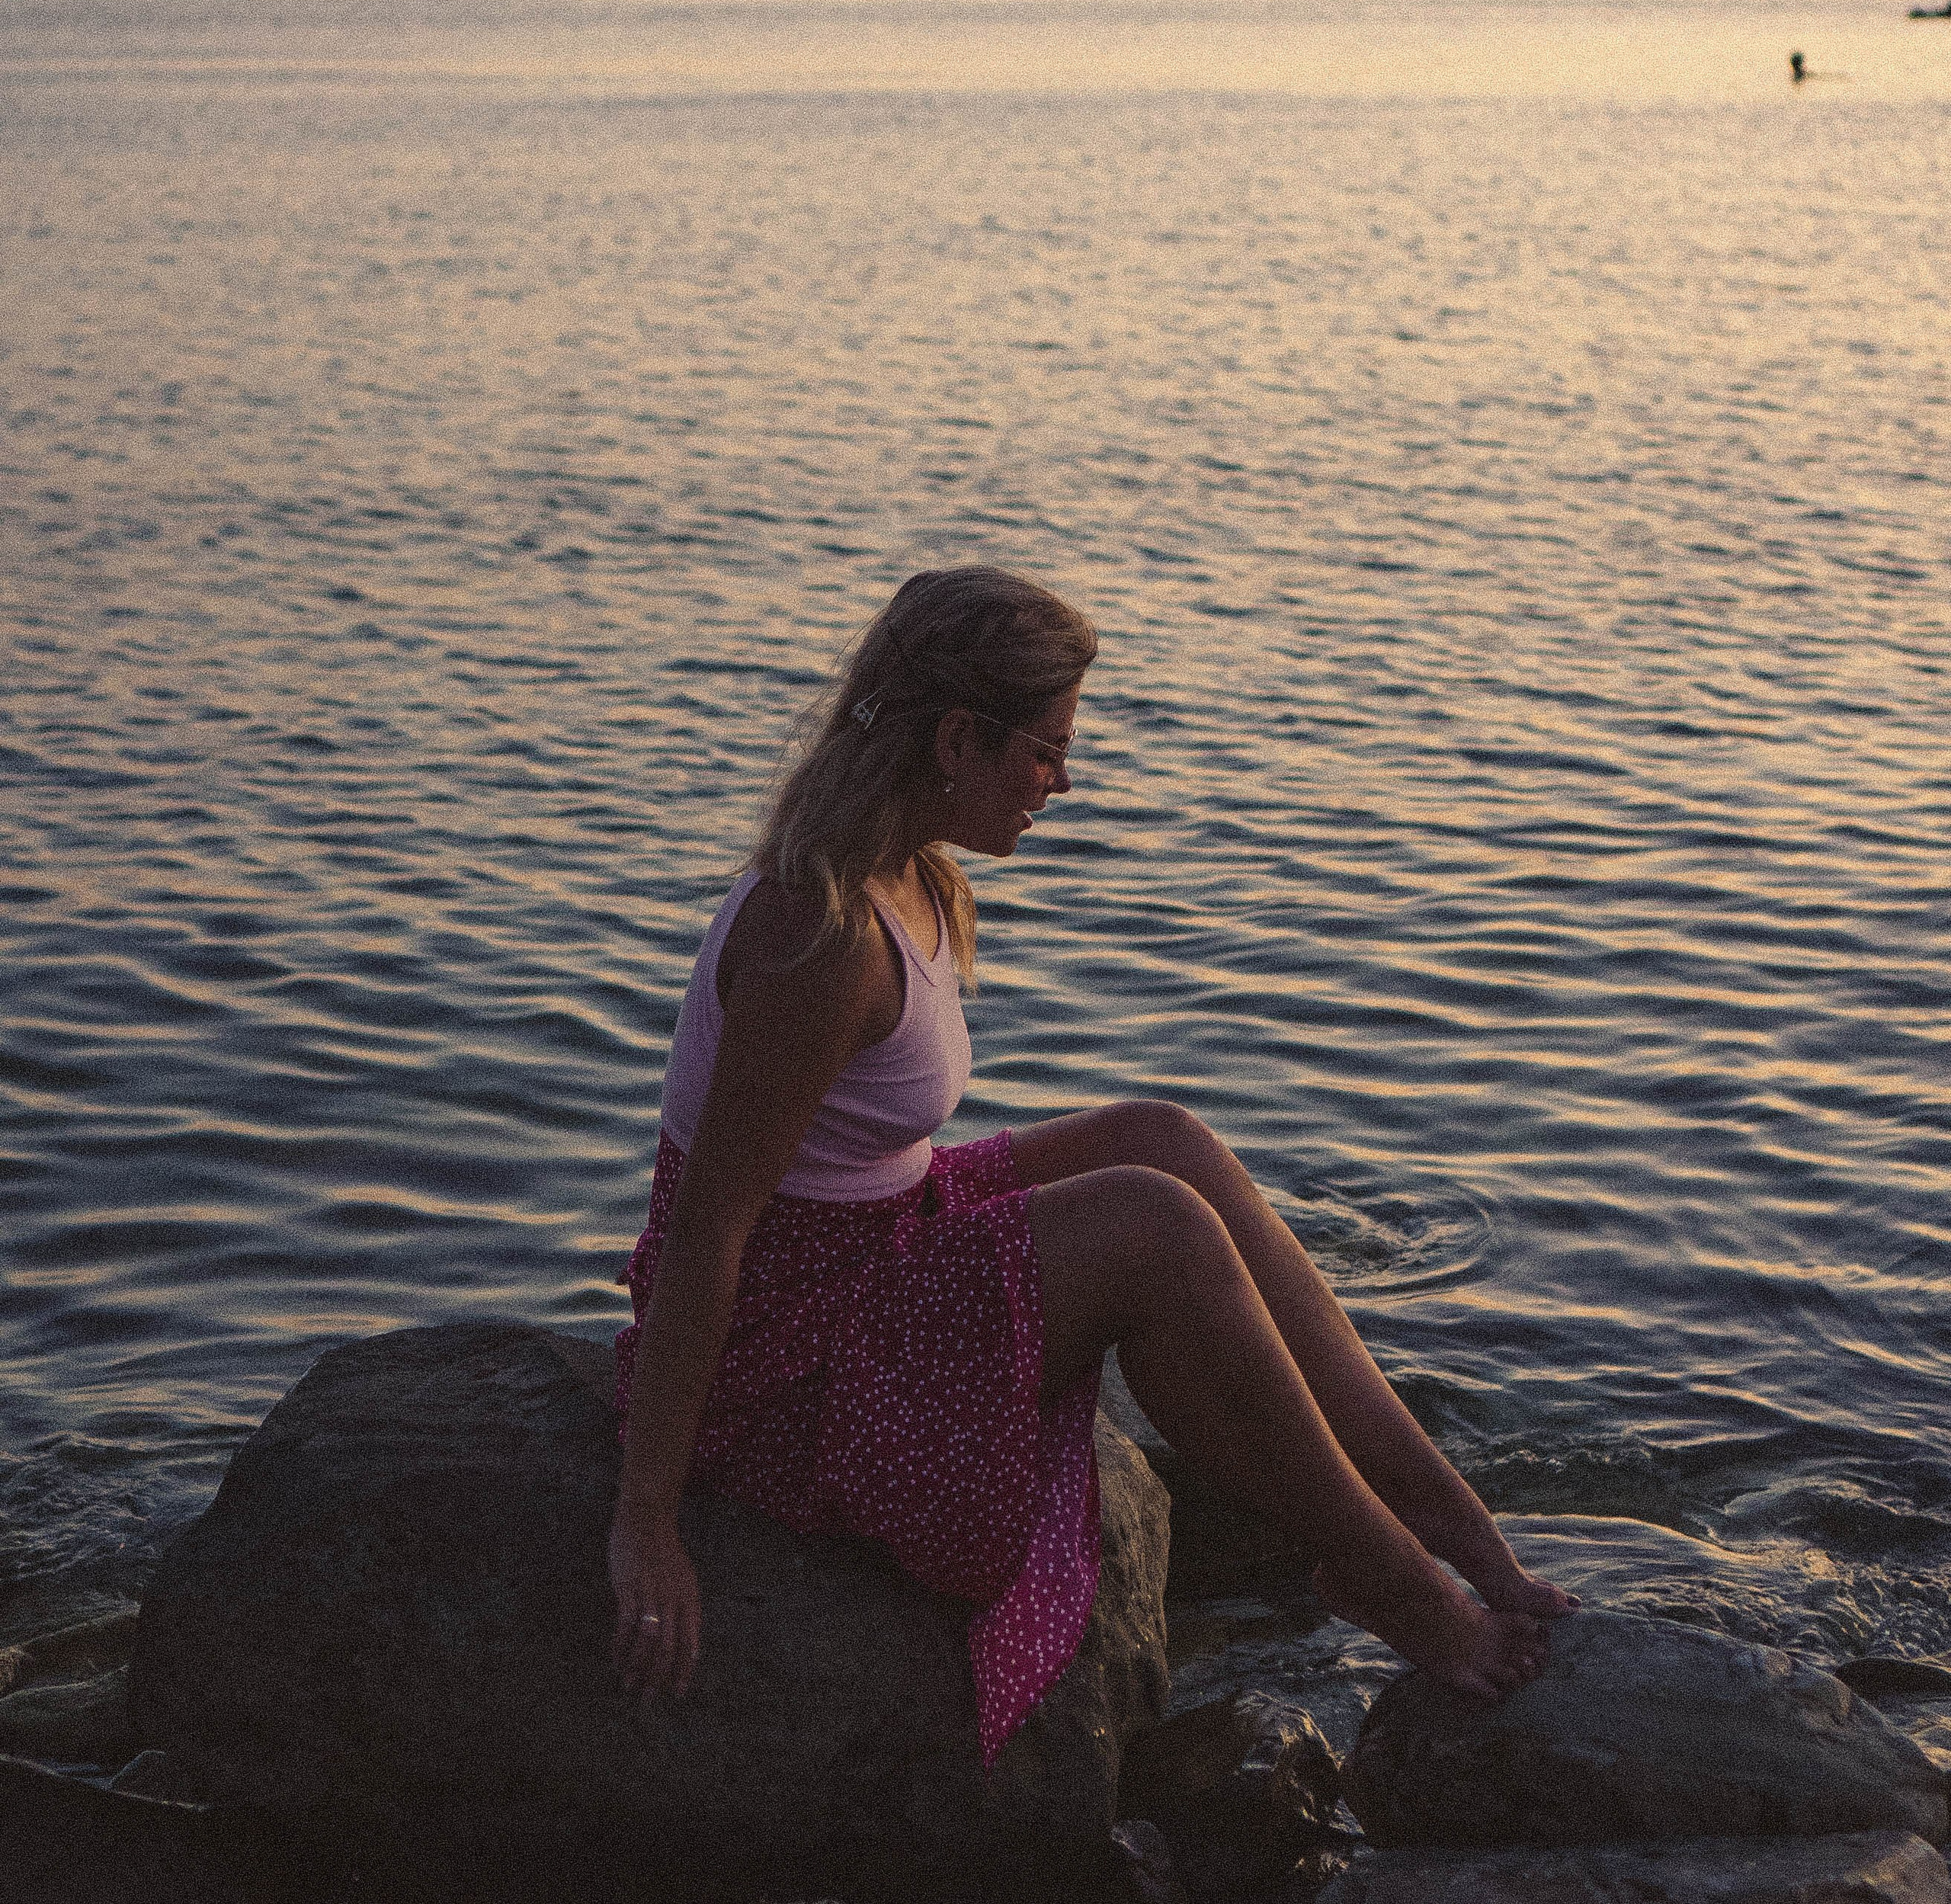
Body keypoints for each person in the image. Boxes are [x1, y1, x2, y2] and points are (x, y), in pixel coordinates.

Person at [610, 566, 1574, 1765]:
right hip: (793, 1350)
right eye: (1047, 749)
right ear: (959, 740)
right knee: (1148, 1226)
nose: (1065, 780)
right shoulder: (824, 937)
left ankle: (1457, 1531)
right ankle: (1403, 1591)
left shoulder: (916, 875)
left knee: (1161, 1140)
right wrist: (648, 1518)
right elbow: (710, 1235)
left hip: (873, 1244)